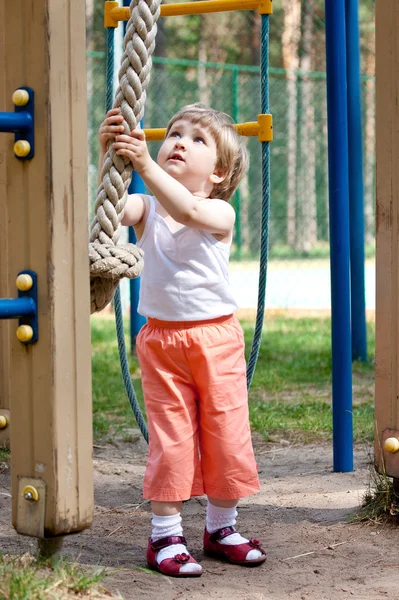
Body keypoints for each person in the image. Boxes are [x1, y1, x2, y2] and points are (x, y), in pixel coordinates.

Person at [98, 103, 266, 577]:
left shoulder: (218, 211)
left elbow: (187, 209)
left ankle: (221, 527)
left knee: (226, 433)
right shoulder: (147, 207)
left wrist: (145, 163)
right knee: (171, 439)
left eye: (196, 139)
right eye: (174, 132)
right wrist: (107, 155)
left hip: (216, 340)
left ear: (219, 171)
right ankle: (165, 535)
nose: (178, 141)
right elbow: (110, 209)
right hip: (163, 342)